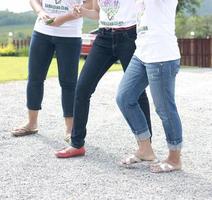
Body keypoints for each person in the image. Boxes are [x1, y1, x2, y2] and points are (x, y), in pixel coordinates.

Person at [55, 0, 152, 158]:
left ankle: (146, 147)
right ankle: (77, 144)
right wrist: (84, 12)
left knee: (137, 92)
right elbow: (97, 12)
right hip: (104, 38)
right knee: (82, 88)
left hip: (129, 36)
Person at [116, 0, 182, 173]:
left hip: (162, 56)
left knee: (165, 109)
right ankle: (145, 149)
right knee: (125, 97)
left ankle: (174, 159)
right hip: (142, 53)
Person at [11, 0, 91, 142]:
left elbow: (90, 5)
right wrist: (41, 12)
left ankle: (69, 128)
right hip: (42, 32)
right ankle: (32, 123)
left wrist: (63, 19)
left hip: (70, 35)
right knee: (35, 78)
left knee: (68, 83)